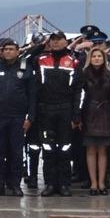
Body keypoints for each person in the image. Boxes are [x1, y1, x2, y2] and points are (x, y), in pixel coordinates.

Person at [33, 31, 82, 197]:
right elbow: (24, 58)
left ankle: (64, 184)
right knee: (47, 148)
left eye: (58, 40)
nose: (55, 43)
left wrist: (76, 115)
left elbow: (78, 91)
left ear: (65, 42)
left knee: (65, 148)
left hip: (65, 110)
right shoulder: (40, 59)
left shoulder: (74, 62)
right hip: (45, 110)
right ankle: (49, 184)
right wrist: (41, 45)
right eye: (52, 40)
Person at [0, 38, 35, 196]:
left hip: (18, 117)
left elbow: (33, 95)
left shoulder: (26, 68)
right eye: (5, 49)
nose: (8, 51)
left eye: (12, 49)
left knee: (16, 152)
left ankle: (15, 185)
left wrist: (30, 117)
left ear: (18, 51)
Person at [80, 47, 110, 196]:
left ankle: (102, 182)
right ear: (90, 58)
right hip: (89, 113)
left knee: (103, 150)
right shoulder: (83, 73)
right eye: (94, 56)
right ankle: (93, 183)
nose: (97, 58)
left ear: (104, 58)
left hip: (105, 113)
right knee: (90, 149)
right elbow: (80, 96)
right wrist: (78, 116)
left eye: (99, 56)